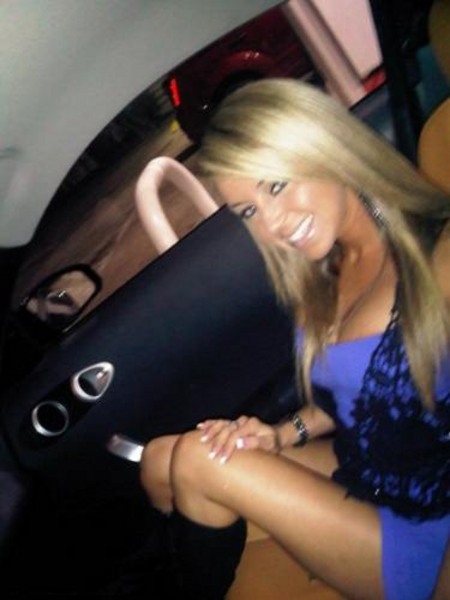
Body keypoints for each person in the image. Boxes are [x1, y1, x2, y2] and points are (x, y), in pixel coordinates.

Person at [140, 79, 450, 600]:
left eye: (276, 186)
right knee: (159, 459)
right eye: (248, 212)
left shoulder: (437, 256)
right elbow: (354, 396)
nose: (273, 226)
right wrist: (281, 434)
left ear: (323, 146)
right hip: (370, 468)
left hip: (428, 524)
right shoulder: (326, 267)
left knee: (196, 460)